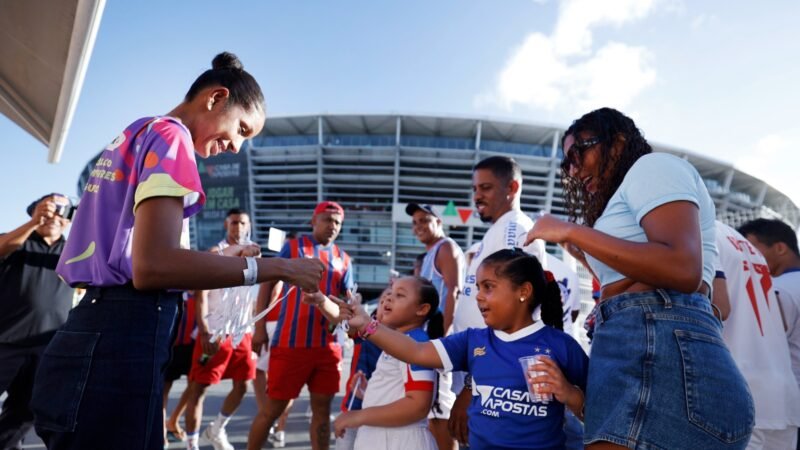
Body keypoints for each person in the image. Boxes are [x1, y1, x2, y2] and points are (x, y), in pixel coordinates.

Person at [30, 52, 325, 450]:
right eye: (241, 129)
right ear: (216, 98)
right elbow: (153, 267)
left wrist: (218, 261)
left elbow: (137, 253)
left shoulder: (141, 130)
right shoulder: (173, 139)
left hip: (96, 329)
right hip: (121, 336)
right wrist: (278, 268)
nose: (236, 147)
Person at [525, 107, 753, 449]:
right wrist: (586, 256)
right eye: (567, 163)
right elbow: (652, 286)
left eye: (578, 153)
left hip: (657, 353)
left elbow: (682, 269)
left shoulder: (652, 167)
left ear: (617, 142)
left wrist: (571, 230)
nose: (573, 170)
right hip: (649, 350)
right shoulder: (631, 192)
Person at [345, 249, 588, 450]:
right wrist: (367, 325)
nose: (478, 297)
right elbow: (416, 351)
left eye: (488, 287)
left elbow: (599, 414)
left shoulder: (562, 346)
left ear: (523, 292)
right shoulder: (473, 340)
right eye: (478, 287)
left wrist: (570, 395)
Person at [449, 156, 546, 445]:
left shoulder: (513, 228)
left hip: (491, 383)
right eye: (475, 188)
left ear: (512, 187)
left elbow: (508, 317)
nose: (477, 196)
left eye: (486, 188)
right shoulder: (500, 229)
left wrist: (471, 386)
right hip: (484, 377)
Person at [247, 200, 355, 450]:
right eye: (327, 220)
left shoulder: (344, 259)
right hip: (290, 344)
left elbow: (348, 299)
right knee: (273, 409)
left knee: (322, 412)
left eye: (337, 222)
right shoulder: (294, 247)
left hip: (328, 348)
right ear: (313, 221)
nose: (333, 226)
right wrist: (260, 328)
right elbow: (269, 282)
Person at [715, 221, 800, 449]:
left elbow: (719, 307)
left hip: (741, 390)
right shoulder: (745, 244)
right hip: (782, 393)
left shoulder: (698, 232)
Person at [0, 194, 75, 449]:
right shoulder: (17, 242)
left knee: (27, 409)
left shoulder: (73, 251)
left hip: (47, 345)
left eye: (62, 211)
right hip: (6, 340)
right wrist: (34, 222)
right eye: (48, 209)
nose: (54, 216)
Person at [333, 276, 442, 450]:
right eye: (390, 293)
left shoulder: (416, 344)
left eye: (400, 295)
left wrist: (358, 416)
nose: (389, 298)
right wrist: (369, 393)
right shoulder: (401, 342)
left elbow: (418, 405)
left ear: (422, 309)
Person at [184, 209, 258, 450]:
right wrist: (204, 330)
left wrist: (257, 330)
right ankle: (192, 444)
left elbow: (254, 297)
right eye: (234, 222)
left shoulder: (254, 254)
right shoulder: (216, 253)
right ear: (226, 225)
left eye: (243, 223)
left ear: (249, 225)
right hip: (216, 331)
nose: (239, 227)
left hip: (242, 333)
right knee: (198, 389)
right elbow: (201, 294)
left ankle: (216, 429)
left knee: (243, 386)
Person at [406, 202, 464, 450]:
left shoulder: (445, 247)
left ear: (439, 222)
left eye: (424, 220)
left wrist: (444, 339)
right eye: (415, 222)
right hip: (430, 341)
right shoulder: (431, 253)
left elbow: (454, 290)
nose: (418, 226)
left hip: (440, 342)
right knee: (432, 413)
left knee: (440, 415)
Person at [739, 219, 800, 389]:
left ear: (780, 248)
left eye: (750, 249)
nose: (745, 256)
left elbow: (758, 347)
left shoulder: (776, 289)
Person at [253, 279, 292, 449]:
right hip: (291, 323)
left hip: (275, 321)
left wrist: (259, 326)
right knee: (288, 378)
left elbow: (270, 288)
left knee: (261, 370)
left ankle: (268, 419)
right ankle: (279, 427)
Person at [162, 291, 198, 445]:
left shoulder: (202, 287)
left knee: (196, 386)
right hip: (171, 343)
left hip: (195, 343)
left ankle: (173, 420)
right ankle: (161, 432)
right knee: (164, 388)